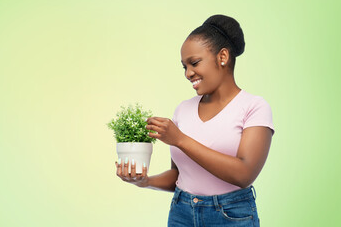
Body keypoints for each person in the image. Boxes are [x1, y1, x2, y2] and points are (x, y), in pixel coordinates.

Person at [115, 14, 275, 227]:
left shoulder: (254, 107)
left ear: (223, 57)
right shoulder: (183, 109)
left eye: (195, 63)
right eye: (184, 66)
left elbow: (244, 174)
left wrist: (179, 139)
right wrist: (145, 181)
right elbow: (179, 175)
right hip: (182, 212)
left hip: (231, 216)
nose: (188, 73)